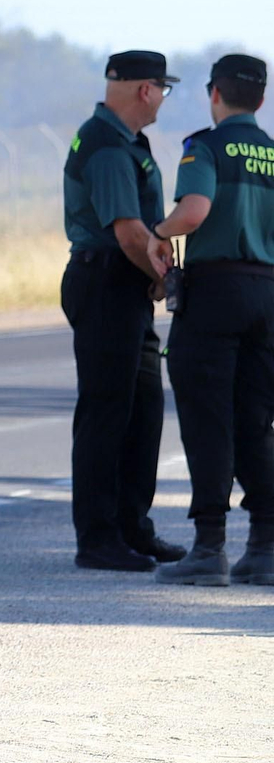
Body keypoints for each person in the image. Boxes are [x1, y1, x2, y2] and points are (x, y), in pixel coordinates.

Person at [147, 55, 274, 586]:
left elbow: (194, 211)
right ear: (262, 100)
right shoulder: (271, 153)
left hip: (215, 292)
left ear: (214, 94)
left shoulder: (206, 145)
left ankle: (208, 548)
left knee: (207, 419)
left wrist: (159, 229)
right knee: (255, 421)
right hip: (268, 294)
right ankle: (265, 547)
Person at [61, 51, 186, 571]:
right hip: (108, 280)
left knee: (142, 413)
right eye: (163, 88)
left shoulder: (125, 141)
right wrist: (165, 278)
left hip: (124, 283)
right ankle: (97, 537)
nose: (162, 97)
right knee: (108, 413)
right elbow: (130, 231)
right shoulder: (109, 146)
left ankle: (133, 527)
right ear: (145, 90)